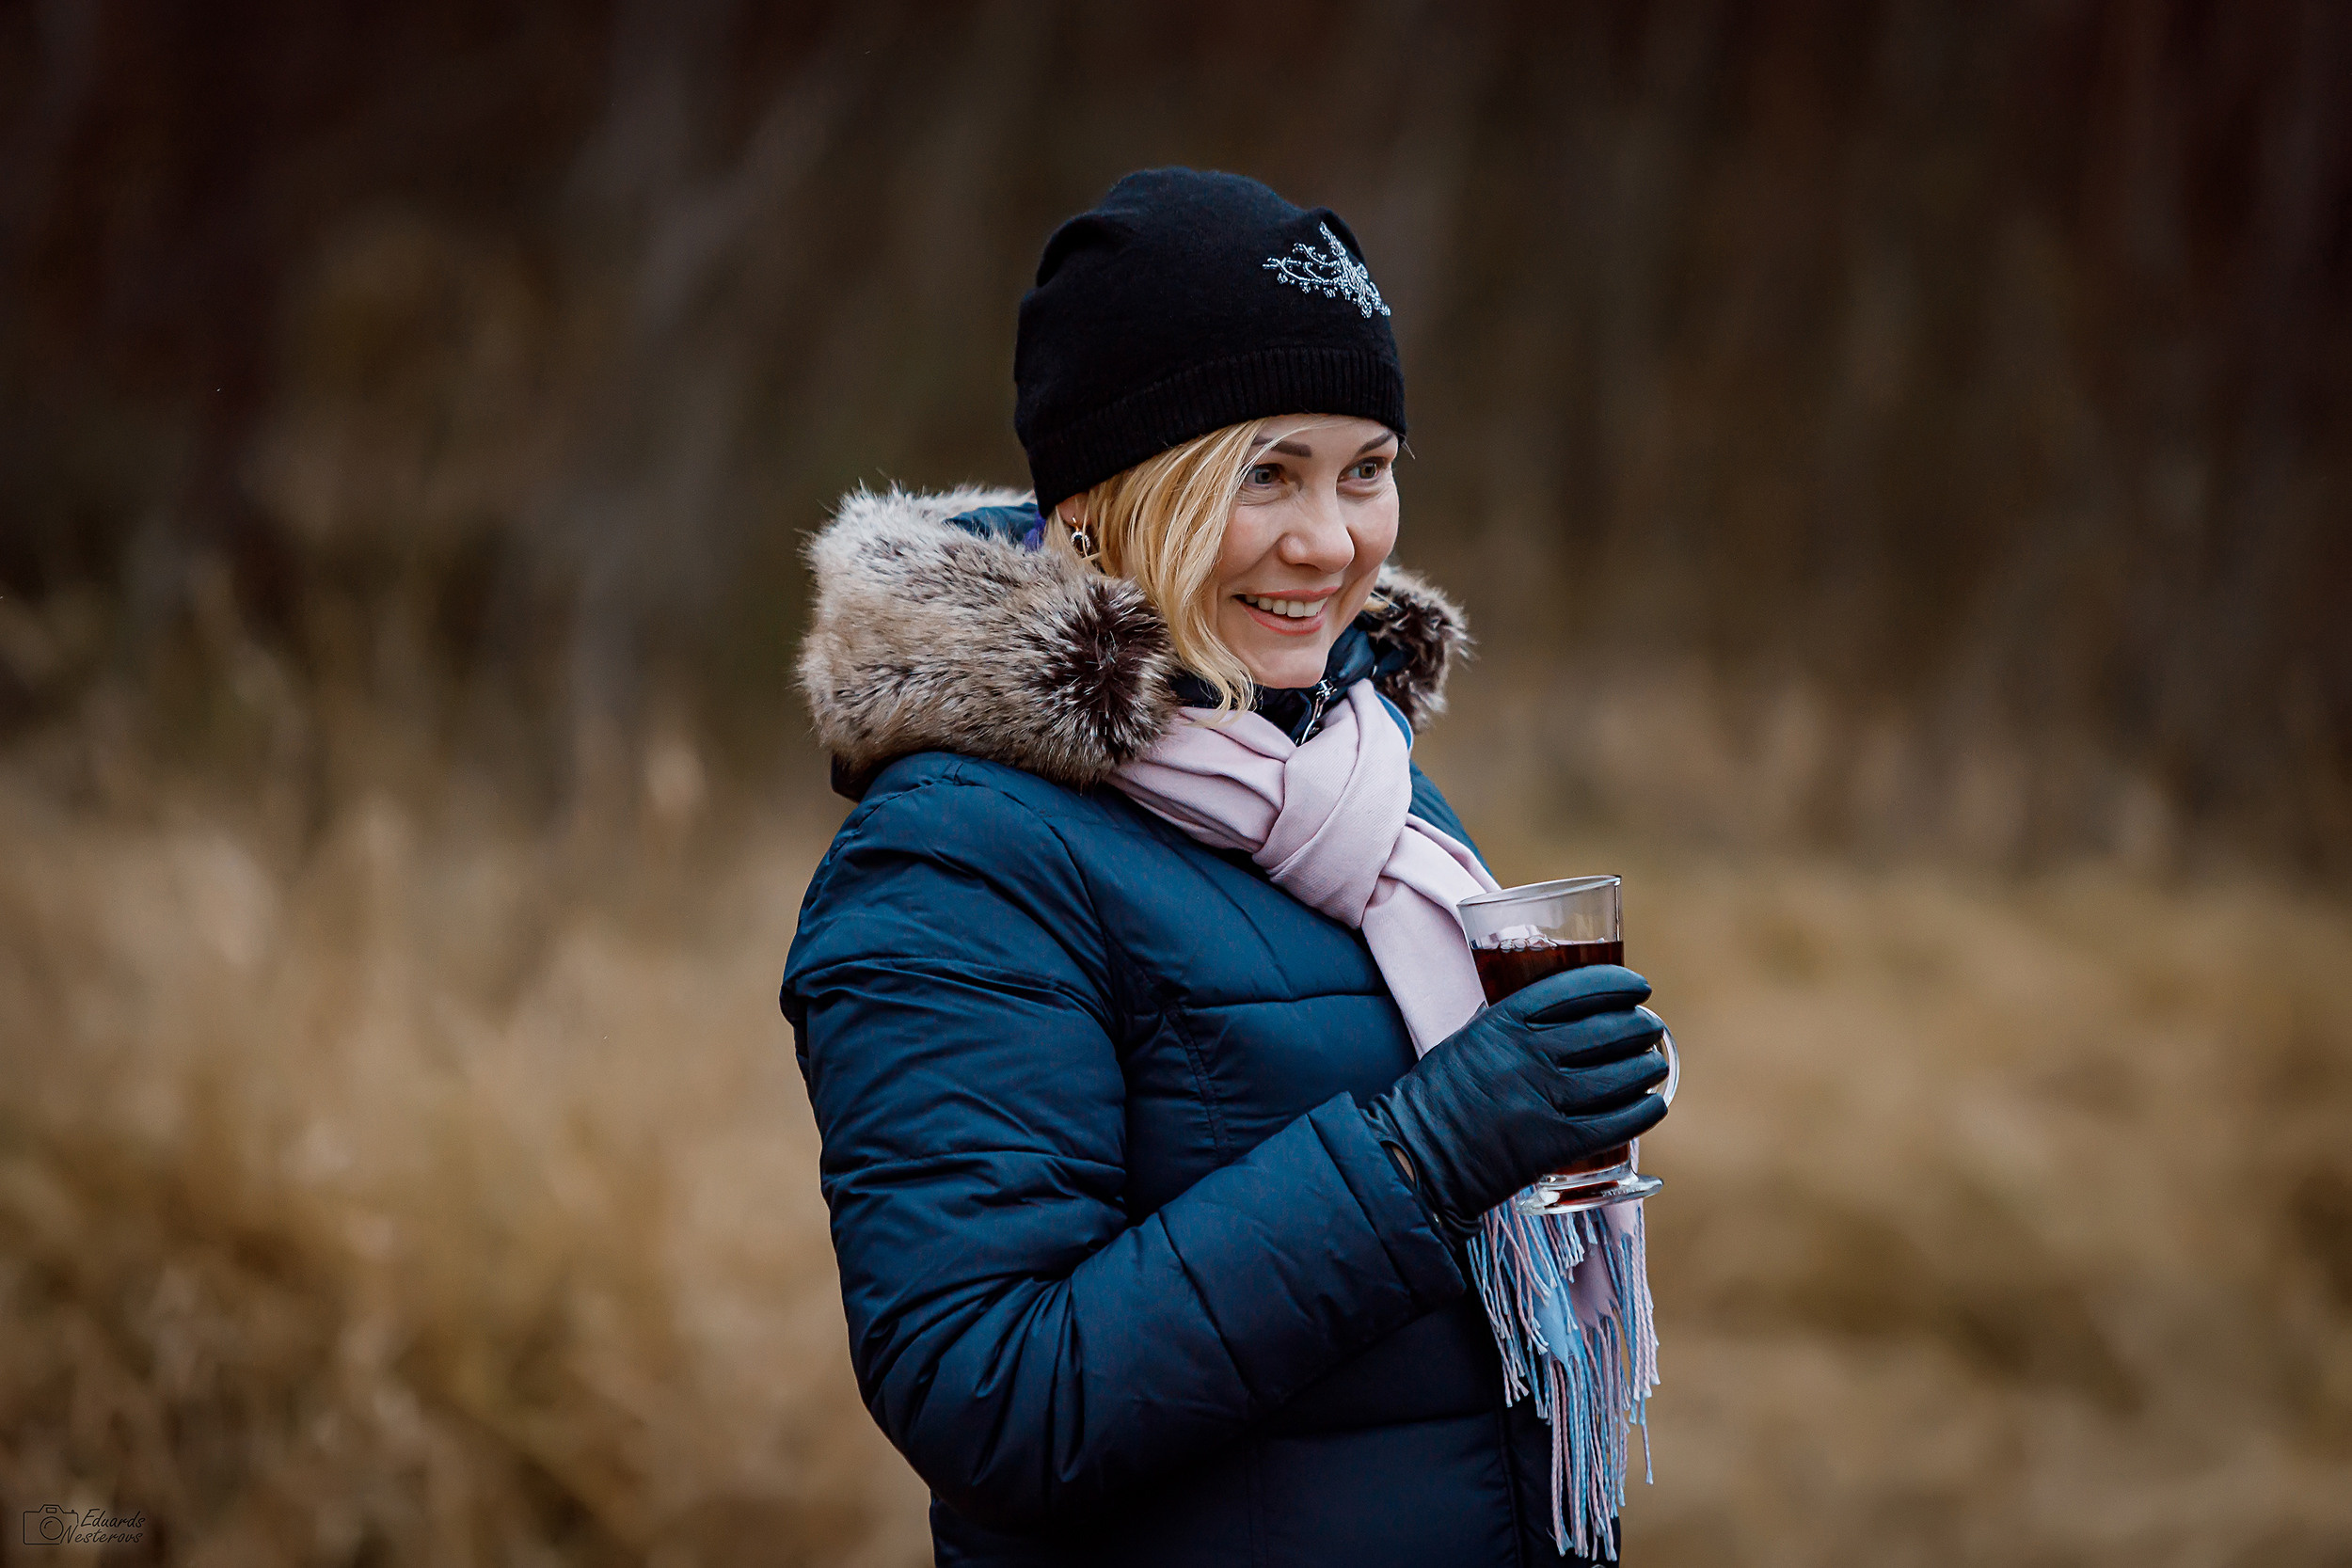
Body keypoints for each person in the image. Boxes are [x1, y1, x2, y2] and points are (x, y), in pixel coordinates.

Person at [781, 168, 1673, 1567]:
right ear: (1093, 504)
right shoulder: (954, 860)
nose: (1331, 542)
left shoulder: (1352, 784)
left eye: (1366, 469)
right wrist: (1427, 1151)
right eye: (1265, 473)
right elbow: (994, 1396)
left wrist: (1547, 1103)